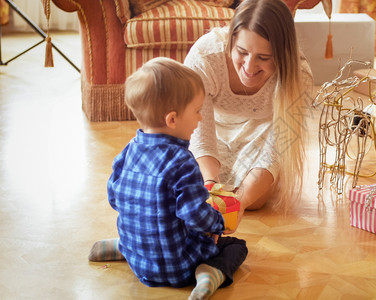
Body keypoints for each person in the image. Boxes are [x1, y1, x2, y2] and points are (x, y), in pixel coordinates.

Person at [105, 57, 248, 299]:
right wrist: (218, 224)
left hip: (139, 265)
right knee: (235, 246)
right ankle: (210, 273)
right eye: (197, 111)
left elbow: (114, 198)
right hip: (180, 267)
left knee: (144, 227)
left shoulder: (129, 150)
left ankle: (124, 246)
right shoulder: (182, 161)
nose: (200, 118)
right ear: (172, 119)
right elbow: (194, 215)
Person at [183, 0, 313, 231]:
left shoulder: (299, 75)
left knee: (256, 201)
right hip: (214, 126)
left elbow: (277, 148)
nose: (250, 67)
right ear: (231, 40)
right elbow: (198, 131)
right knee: (194, 185)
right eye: (242, 52)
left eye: (264, 57)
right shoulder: (206, 56)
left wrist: (239, 203)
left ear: (283, 55)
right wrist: (210, 185)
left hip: (262, 129)